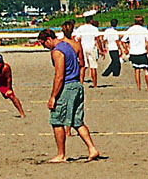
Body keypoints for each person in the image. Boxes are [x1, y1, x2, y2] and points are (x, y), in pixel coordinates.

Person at [39, 28, 101, 163]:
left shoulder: (57, 51)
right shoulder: (68, 46)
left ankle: (61, 154)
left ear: (48, 40)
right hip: (77, 85)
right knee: (77, 121)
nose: (44, 47)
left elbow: (59, 76)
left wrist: (53, 96)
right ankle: (92, 148)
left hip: (67, 87)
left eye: (43, 44)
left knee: (57, 120)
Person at [123, 15, 148, 91]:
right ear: (141, 22)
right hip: (142, 52)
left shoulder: (130, 29)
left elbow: (123, 40)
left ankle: (138, 87)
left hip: (133, 52)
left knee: (137, 70)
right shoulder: (143, 30)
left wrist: (127, 49)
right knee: (146, 70)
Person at [73, 17, 102, 88]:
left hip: (83, 47)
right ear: (91, 20)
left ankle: (81, 83)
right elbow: (97, 39)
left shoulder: (80, 28)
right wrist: (101, 49)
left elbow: (78, 39)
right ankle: (95, 84)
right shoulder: (94, 29)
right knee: (93, 67)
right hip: (91, 47)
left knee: (82, 66)